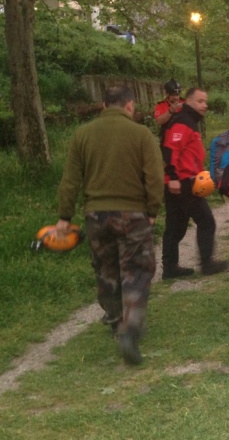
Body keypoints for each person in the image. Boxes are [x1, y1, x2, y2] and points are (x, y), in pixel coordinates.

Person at [57, 85, 164, 365]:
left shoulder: (82, 134)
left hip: (96, 216)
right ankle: (130, 329)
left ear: (103, 105)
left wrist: (64, 218)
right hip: (133, 214)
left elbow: (70, 180)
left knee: (106, 270)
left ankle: (117, 321)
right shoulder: (141, 134)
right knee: (137, 269)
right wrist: (152, 209)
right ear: (129, 105)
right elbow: (154, 176)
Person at [161, 87, 229, 279]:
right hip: (182, 182)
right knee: (206, 221)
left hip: (181, 181)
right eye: (200, 101)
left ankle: (170, 267)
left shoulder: (189, 121)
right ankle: (207, 264)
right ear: (188, 101)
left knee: (176, 226)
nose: (205, 105)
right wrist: (173, 177)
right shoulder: (183, 122)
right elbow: (169, 150)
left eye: (205, 102)